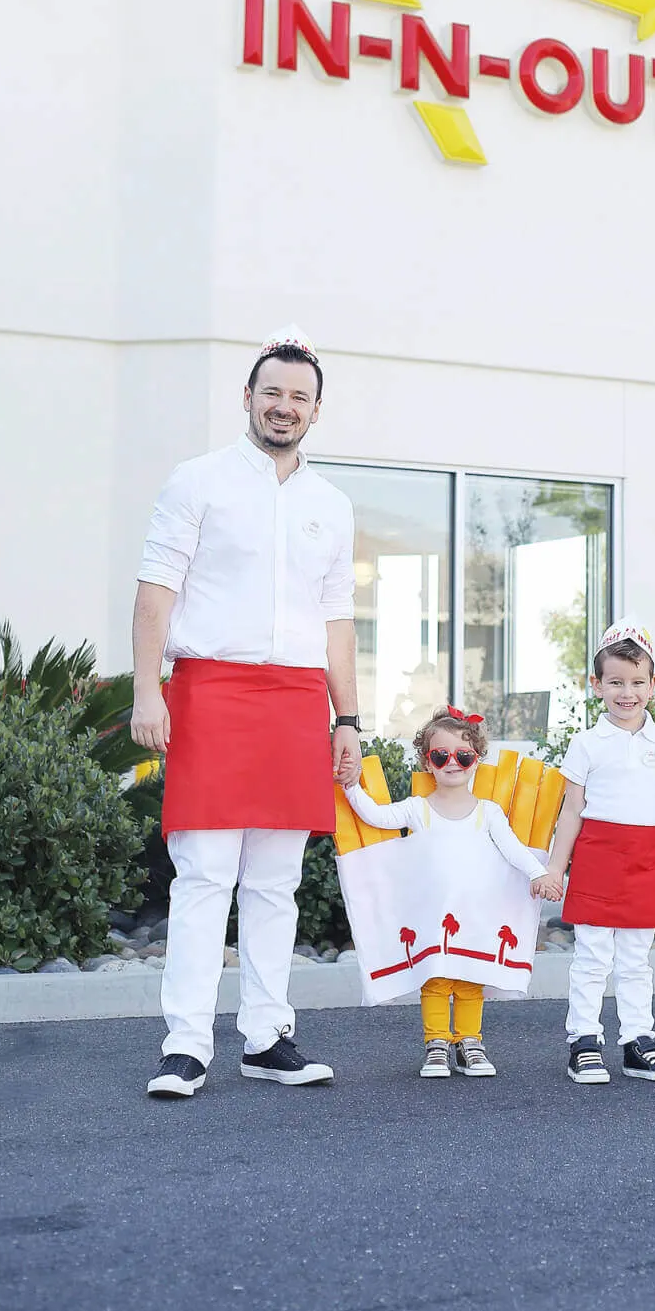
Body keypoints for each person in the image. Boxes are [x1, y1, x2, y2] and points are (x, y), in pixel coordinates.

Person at [130, 325, 362, 1100]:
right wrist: (145, 690)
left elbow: (336, 621)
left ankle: (267, 1037)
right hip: (211, 693)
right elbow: (156, 589)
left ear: (316, 411)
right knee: (202, 879)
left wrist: (348, 721)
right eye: (272, 392)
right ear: (248, 399)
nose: (284, 406)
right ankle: (186, 1046)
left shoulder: (332, 503)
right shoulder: (196, 481)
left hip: (296, 702)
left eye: (299, 396)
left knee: (275, 882)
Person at [537, 623, 655, 1085]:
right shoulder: (587, 743)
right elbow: (572, 811)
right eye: (617, 682)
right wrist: (555, 869)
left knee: (635, 960)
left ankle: (638, 1043)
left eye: (637, 682)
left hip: (643, 860)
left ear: (653, 683)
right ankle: (583, 1042)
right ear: (597, 685)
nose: (627, 693)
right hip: (598, 859)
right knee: (591, 956)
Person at [344, 707, 561, 1079]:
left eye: (462, 756)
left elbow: (513, 849)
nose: (452, 763)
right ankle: (438, 1043)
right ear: (427, 762)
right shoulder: (417, 809)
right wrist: (351, 786)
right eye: (440, 755)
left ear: (476, 760)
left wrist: (539, 874)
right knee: (436, 979)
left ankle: (470, 1042)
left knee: (470, 978)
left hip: (476, 915)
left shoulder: (488, 813)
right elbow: (377, 817)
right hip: (432, 916)